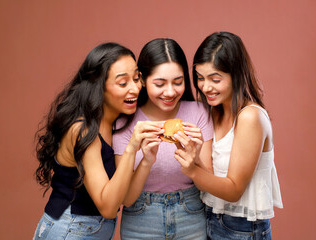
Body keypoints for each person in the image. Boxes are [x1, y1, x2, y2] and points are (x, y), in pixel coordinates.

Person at [33, 42, 163, 239]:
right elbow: (109, 208)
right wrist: (131, 148)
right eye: (123, 83)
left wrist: (146, 160)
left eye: (137, 78)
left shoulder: (115, 122)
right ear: (99, 86)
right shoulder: (83, 129)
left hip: (94, 231)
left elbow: (125, 198)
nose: (135, 88)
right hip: (70, 230)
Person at [174, 32, 283, 240]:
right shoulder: (213, 112)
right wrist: (194, 157)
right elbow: (212, 175)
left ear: (236, 75)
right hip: (208, 219)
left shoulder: (250, 117)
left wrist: (191, 170)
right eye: (199, 78)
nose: (206, 87)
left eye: (215, 79)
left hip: (242, 228)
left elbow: (234, 190)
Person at [112, 38, 213, 239]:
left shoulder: (199, 113)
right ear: (142, 80)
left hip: (191, 216)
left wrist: (195, 159)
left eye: (178, 82)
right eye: (159, 84)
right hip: (140, 221)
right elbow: (127, 199)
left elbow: (207, 186)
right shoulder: (125, 122)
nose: (170, 92)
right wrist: (147, 161)